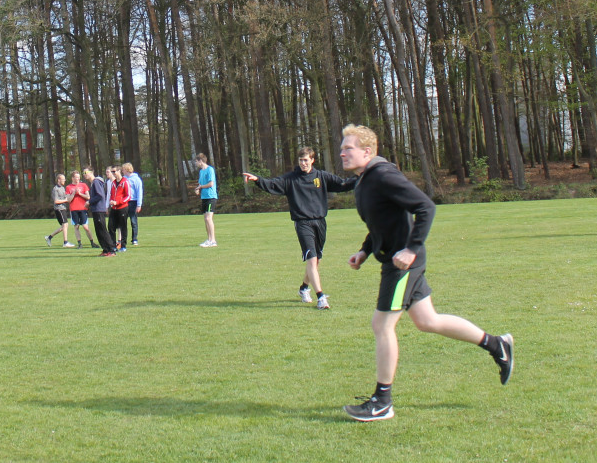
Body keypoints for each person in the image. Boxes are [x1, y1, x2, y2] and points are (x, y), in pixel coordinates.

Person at [338, 123, 512, 422]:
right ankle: (497, 344)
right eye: (341, 148)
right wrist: (365, 251)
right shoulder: (365, 180)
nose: (342, 153)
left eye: (348, 148)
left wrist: (411, 248)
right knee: (428, 321)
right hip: (395, 258)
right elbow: (383, 220)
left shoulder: (383, 174)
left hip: (402, 263)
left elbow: (425, 206)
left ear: (367, 151)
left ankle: (382, 401)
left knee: (381, 325)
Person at [243, 147, 355, 310]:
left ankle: (304, 288)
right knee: (311, 259)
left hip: (320, 222)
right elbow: (273, 184)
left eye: (306, 160)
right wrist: (257, 180)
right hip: (303, 223)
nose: (303, 163)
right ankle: (321, 297)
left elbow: (343, 184)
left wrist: (361, 177)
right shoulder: (291, 179)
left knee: (317, 261)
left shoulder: (321, 176)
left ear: (312, 160)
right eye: (301, 160)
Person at [85, 167, 117, 256]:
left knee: (102, 230)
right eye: (83, 172)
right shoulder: (93, 183)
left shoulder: (96, 182)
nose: (84, 174)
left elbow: (100, 195)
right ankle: (105, 250)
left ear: (91, 172)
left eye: (86, 172)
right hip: (96, 210)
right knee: (98, 231)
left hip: (99, 210)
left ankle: (111, 250)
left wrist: (89, 202)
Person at [66, 171, 95, 249]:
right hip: (74, 209)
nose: (78, 179)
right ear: (72, 178)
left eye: (79, 177)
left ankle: (92, 242)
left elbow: (88, 197)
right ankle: (79, 243)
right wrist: (74, 193)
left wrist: (80, 194)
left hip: (83, 208)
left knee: (86, 227)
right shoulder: (69, 187)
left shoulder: (83, 185)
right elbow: (68, 200)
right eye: (76, 177)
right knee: (76, 226)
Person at [193, 153, 218, 247]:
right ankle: (209, 240)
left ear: (200, 161)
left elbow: (211, 184)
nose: (195, 163)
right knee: (205, 219)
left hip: (211, 197)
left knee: (208, 218)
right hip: (204, 197)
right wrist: (197, 189)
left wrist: (201, 187)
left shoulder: (210, 170)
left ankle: (213, 240)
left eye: (196, 161)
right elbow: (200, 184)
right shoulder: (201, 172)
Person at [44, 173, 74, 247]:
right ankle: (65, 242)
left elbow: (67, 198)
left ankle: (49, 237)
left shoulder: (63, 188)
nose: (64, 180)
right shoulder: (56, 189)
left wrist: (73, 193)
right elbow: (56, 201)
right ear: (59, 180)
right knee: (65, 225)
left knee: (64, 226)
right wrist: (65, 200)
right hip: (59, 209)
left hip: (63, 208)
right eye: (63, 179)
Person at [108, 166, 130, 252]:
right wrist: (111, 201)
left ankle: (123, 246)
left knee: (123, 226)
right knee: (111, 226)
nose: (113, 173)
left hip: (122, 208)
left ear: (119, 171)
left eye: (114, 171)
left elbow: (128, 196)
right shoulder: (113, 183)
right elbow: (111, 194)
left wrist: (118, 202)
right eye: (112, 172)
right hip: (114, 208)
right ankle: (113, 245)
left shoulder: (125, 182)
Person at [122, 163, 143, 245]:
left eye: (123, 169)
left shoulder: (136, 179)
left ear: (127, 170)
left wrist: (139, 204)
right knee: (123, 221)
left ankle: (134, 239)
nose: (122, 171)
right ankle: (123, 239)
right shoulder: (123, 179)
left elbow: (139, 192)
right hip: (125, 202)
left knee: (133, 221)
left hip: (133, 202)